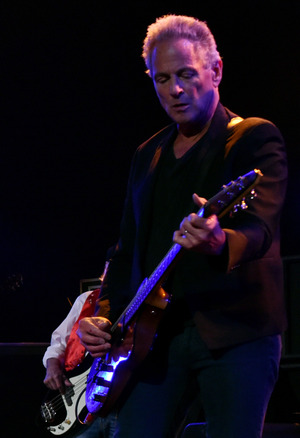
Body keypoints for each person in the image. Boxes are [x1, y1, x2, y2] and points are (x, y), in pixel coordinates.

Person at [77, 15, 287, 438]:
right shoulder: (147, 154)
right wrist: (104, 318)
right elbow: (126, 250)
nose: (174, 89)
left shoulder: (251, 137)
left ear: (216, 70)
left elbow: (260, 227)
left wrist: (218, 242)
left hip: (236, 333)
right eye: (162, 78)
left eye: (187, 74)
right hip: (156, 339)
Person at [42, 255, 116, 438]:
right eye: (111, 266)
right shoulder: (87, 299)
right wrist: (52, 367)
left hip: (122, 403)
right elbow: (59, 341)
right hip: (79, 400)